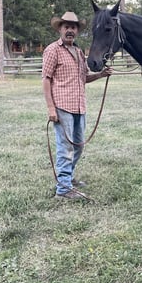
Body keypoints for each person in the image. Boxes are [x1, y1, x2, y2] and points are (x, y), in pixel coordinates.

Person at [42, 11, 112, 200]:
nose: (70, 30)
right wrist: (50, 108)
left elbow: (84, 78)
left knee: (78, 146)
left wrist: (101, 75)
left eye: (73, 27)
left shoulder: (79, 52)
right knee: (65, 148)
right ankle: (63, 189)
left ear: (77, 31)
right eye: (67, 27)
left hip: (79, 106)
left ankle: (67, 178)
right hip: (62, 106)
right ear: (60, 29)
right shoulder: (52, 50)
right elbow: (46, 80)